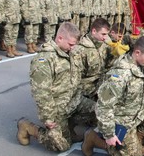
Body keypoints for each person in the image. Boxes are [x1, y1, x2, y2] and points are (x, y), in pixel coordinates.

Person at [16, 22, 96, 152]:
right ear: (60, 38)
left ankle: (69, 127)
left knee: (99, 111)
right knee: (62, 146)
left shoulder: (71, 52)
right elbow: (42, 93)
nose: (73, 47)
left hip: (75, 101)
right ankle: (28, 127)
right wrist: (48, 117)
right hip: (58, 108)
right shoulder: (44, 60)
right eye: (71, 44)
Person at [81, 36, 144, 156]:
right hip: (120, 122)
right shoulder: (120, 75)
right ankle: (94, 138)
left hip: (134, 116)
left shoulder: (143, 66)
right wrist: (109, 134)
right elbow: (104, 106)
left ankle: (131, 143)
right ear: (137, 53)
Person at [72, 17, 115, 100]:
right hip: (87, 89)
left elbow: (109, 66)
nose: (105, 37)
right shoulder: (81, 49)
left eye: (107, 34)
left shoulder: (105, 44)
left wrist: (114, 55)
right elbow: (75, 79)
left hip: (101, 82)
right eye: (103, 34)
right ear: (94, 31)